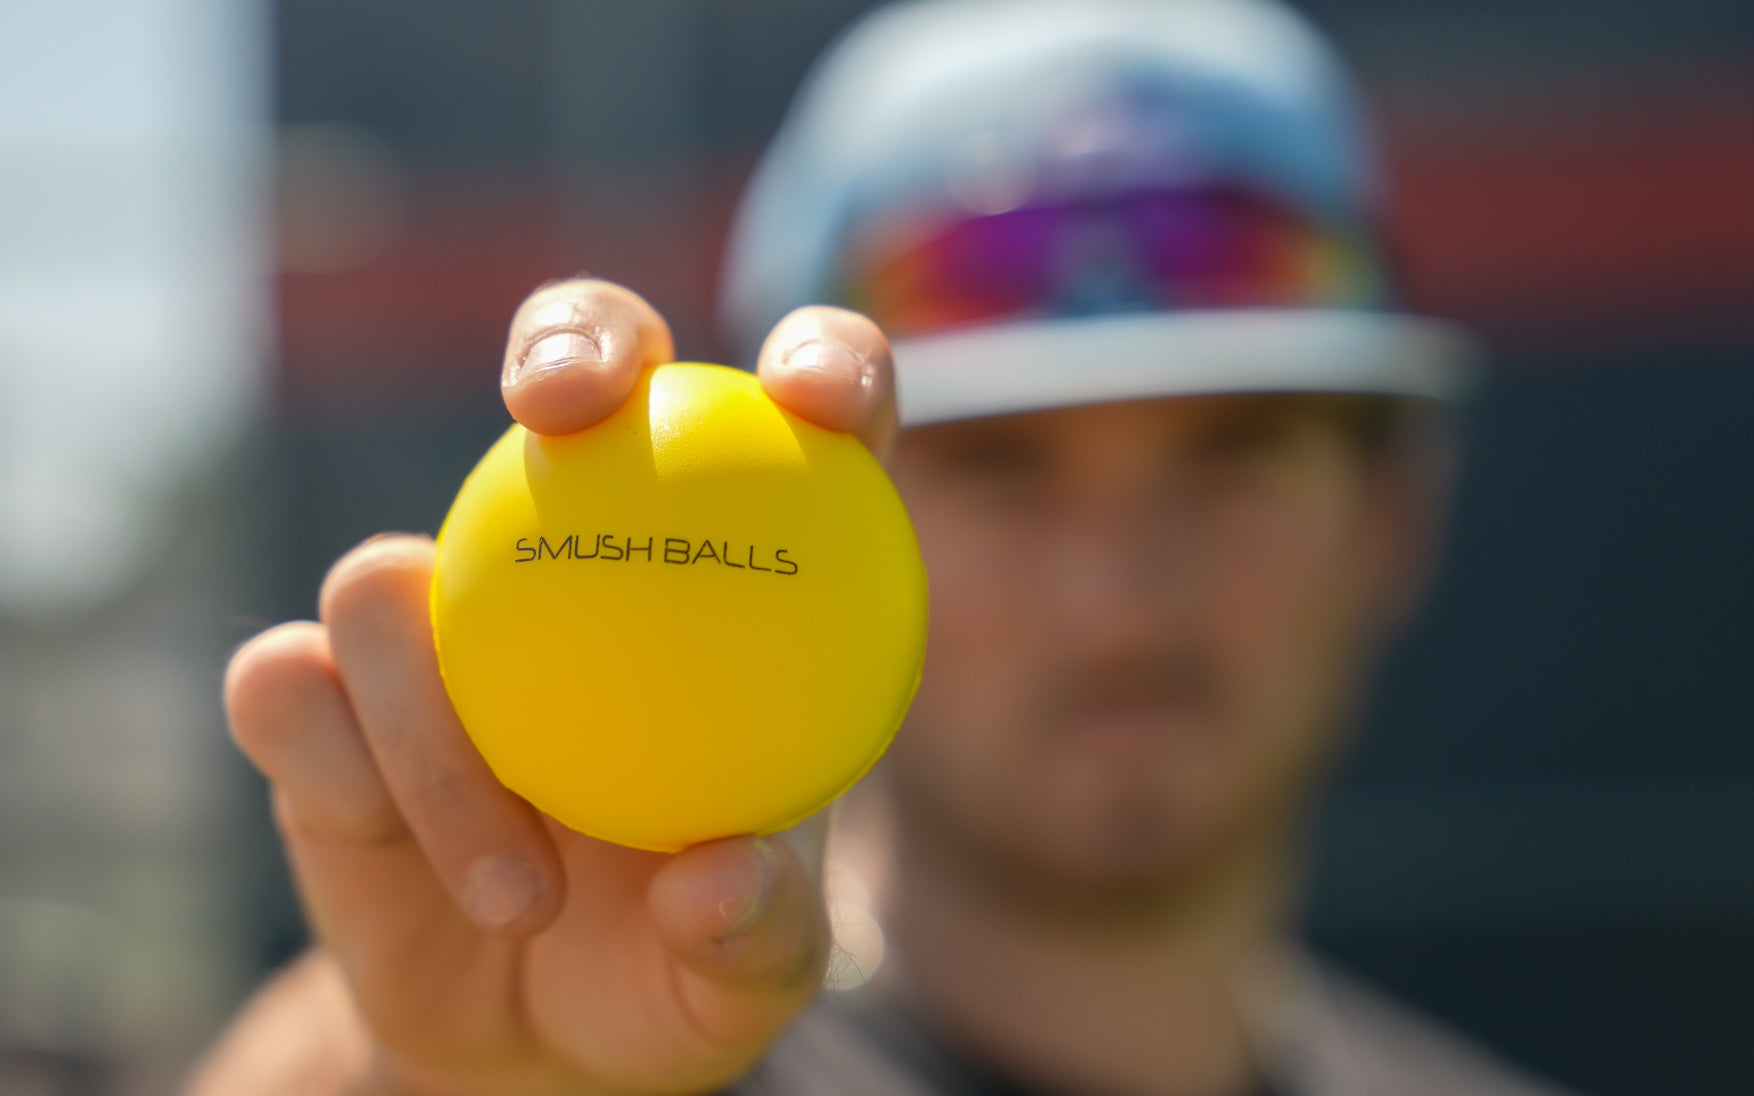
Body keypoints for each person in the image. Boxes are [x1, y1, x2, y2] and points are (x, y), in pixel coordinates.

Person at [193, 1, 1573, 1093]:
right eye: (997, 472)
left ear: (1392, 519)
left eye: (1231, 462)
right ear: (794, 515)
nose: (1119, 602)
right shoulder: (597, 1048)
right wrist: (416, 1078)